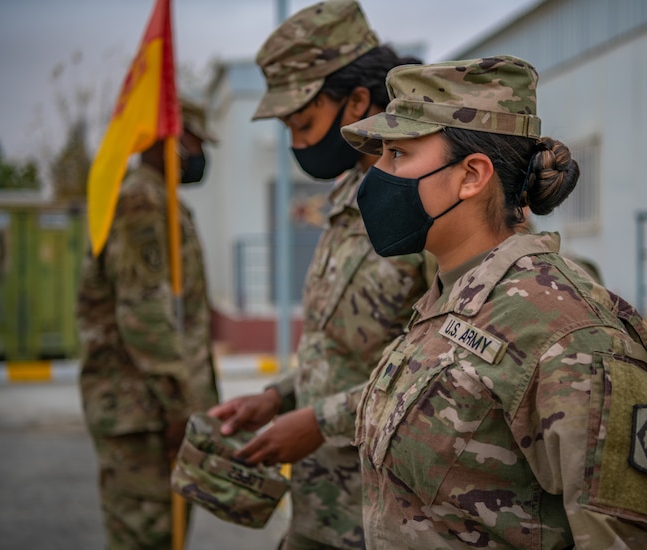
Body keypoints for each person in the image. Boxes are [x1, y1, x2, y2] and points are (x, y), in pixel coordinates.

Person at [341, 55, 647, 549]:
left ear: (471, 175)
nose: (377, 174)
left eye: (397, 154)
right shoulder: (449, 300)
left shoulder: (568, 333)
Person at [206, 1, 431, 549]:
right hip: (322, 511)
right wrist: (279, 398)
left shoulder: (428, 197)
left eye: (303, 124)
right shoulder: (347, 191)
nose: (295, 144)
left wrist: (319, 422)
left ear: (357, 101)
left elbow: (442, 368)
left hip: (392, 514)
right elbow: (346, 351)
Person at [77, 99, 220, 549]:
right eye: (196, 142)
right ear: (170, 139)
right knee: (146, 538)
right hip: (144, 413)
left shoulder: (160, 200)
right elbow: (143, 314)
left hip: (154, 410)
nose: (201, 155)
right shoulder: (141, 201)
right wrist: (179, 407)